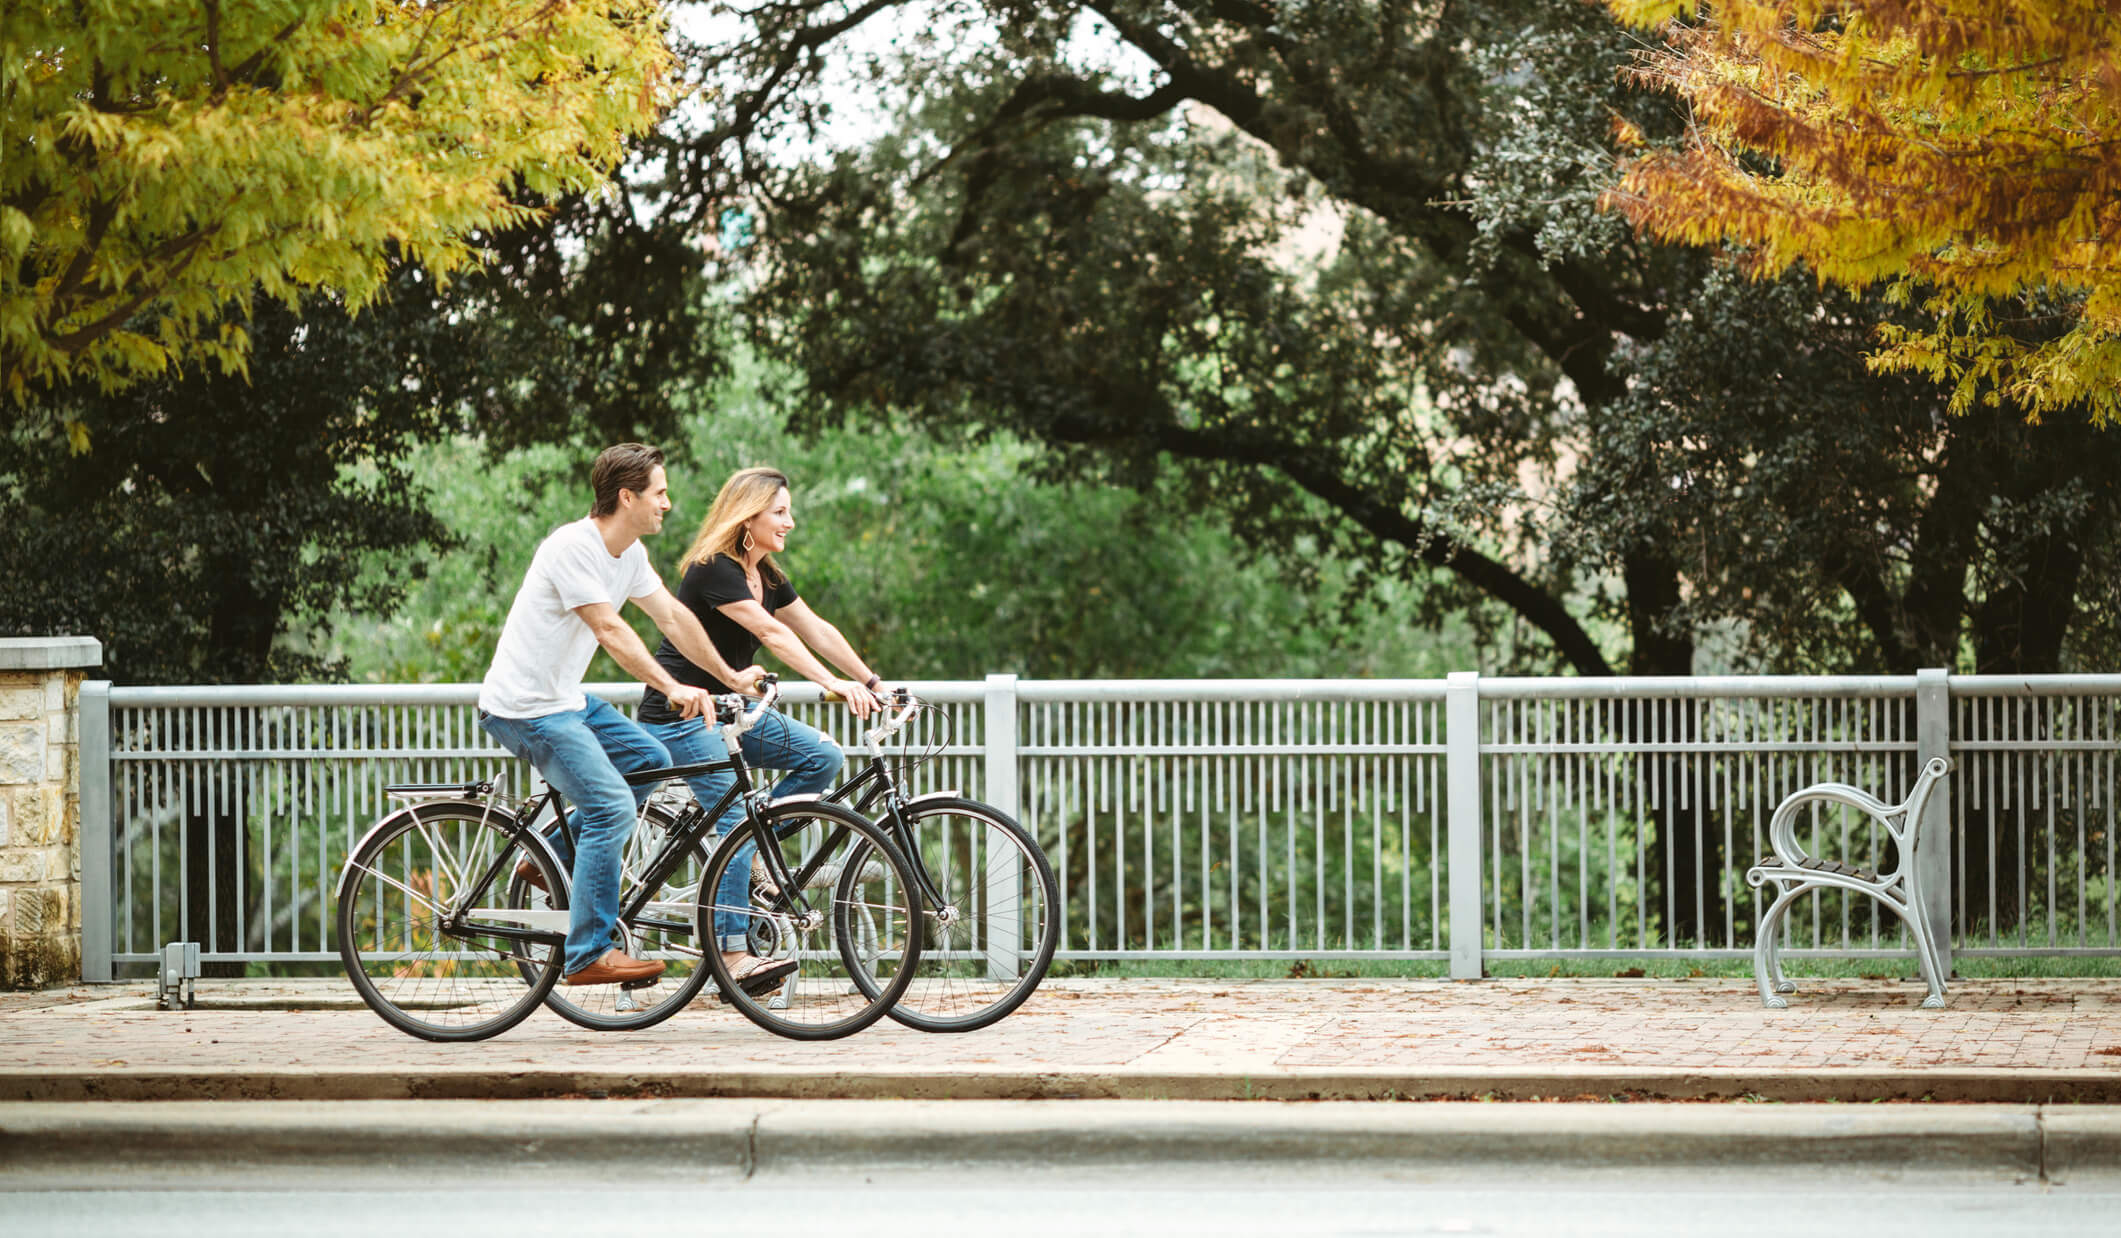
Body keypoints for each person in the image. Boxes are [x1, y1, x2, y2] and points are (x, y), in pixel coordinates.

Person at [476, 443, 784, 991]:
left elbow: (673, 619)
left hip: (564, 699)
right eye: (659, 493)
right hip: (524, 708)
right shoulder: (572, 548)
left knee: (650, 759)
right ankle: (589, 952)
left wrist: (728, 675)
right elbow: (610, 630)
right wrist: (671, 685)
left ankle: (550, 855)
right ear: (627, 497)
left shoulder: (630, 554)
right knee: (612, 807)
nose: (668, 503)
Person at [635, 466, 885, 961]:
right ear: (748, 517)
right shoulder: (714, 568)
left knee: (822, 757)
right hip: (681, 717)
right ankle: (731, 952)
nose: (790, 522)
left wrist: (871, 681)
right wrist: (831, 683)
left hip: (733, 712)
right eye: (780, 512)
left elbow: (815, 628)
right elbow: (771, 634)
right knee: (736, 822)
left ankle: (752, 857)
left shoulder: (766, 574)